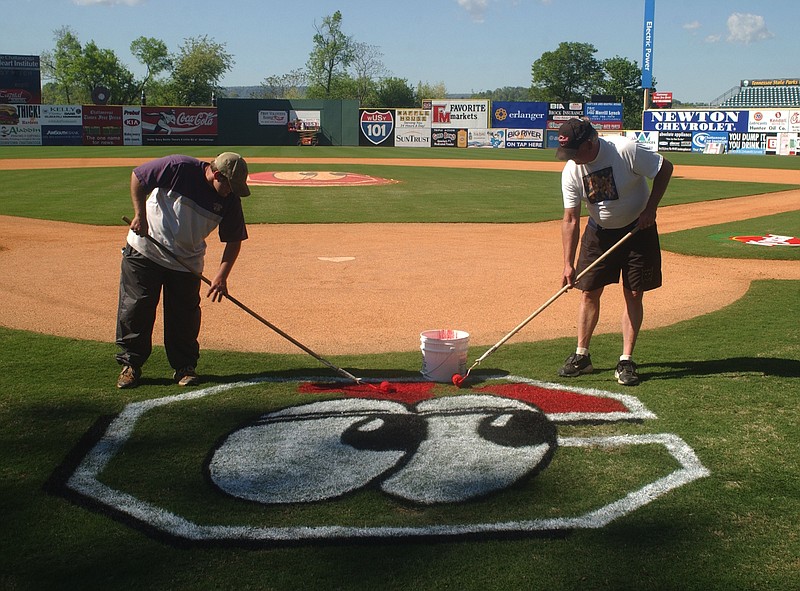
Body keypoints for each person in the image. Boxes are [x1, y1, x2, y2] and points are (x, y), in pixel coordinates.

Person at [115, 152, 250, 389]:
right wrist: (140, 215)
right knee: (136, 309)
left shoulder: (229, 200)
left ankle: (184, 367)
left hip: (187, 262)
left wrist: (221, 276)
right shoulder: (179, 167)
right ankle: (131, 365)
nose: (232, 191)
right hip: (146, 250)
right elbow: (138, 177)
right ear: (217, 174)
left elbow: (234, 239)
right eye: (229, 185)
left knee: (185, 317)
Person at [555, 118, 673, 386]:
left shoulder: (625, 150)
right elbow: (571, 218)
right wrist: (567, 263)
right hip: (598, 233)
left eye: (574, 152)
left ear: (590, 142)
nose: (571, 158)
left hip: (638, 231)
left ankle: (626, 361)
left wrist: (651, 208)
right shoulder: (571, 171)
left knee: (633, 292)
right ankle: (582, 355)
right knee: (589, 292)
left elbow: (665, 168)